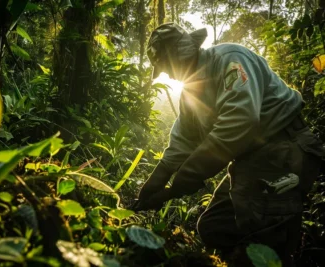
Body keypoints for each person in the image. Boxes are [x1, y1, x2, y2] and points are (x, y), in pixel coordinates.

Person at [133, 22, 325, 265]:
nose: (169, 75)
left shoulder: (229, 59)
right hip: (251, 159)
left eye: (167, 67)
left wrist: (186, 176)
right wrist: (158, 179)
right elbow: (184, 139)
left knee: (261, 234)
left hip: (284, 148)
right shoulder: (191, 91)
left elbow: (241, 120)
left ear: (179, 55)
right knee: (214, 227)